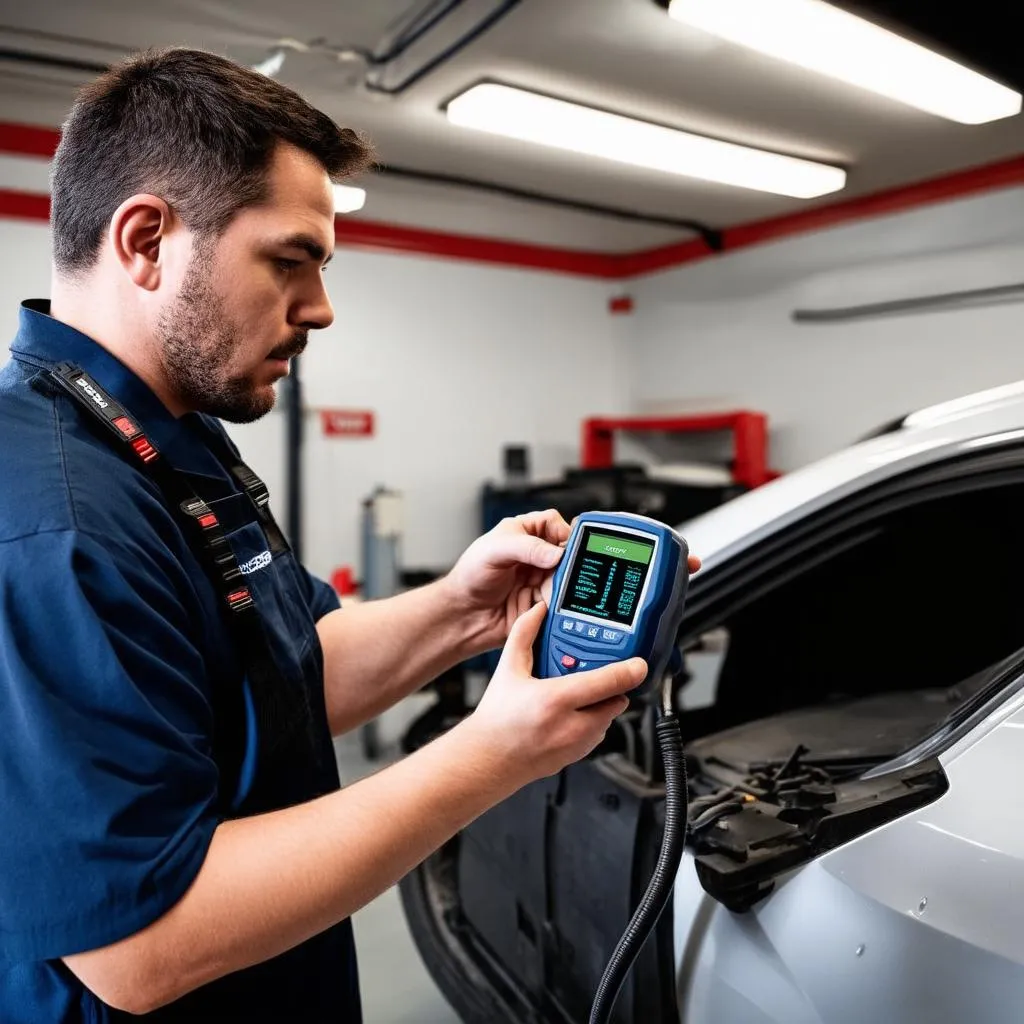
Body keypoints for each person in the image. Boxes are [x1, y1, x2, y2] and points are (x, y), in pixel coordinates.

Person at [0, 47, 700, 1022]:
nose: (320, 308)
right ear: (148, 240)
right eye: (291, 261)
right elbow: (137, 944)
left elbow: (289, 672)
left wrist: (463, 610)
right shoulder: (52, 520)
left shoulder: (171, 435)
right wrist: (494, 755)